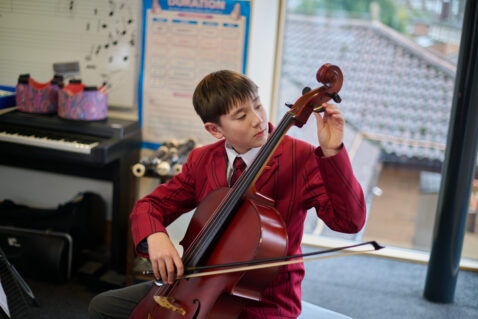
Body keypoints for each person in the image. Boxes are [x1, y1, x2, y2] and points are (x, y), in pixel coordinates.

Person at [89, 70, 366, 318]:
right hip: (195, 287)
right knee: (102, 307)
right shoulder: (202, 160)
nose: (258, 120)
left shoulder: (301, 157)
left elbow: (349, 222)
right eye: (241, 116)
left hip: (263, 302)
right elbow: (149, 205)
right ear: (214, 130)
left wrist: (332, 153)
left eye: (258, 104)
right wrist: (157, 237)